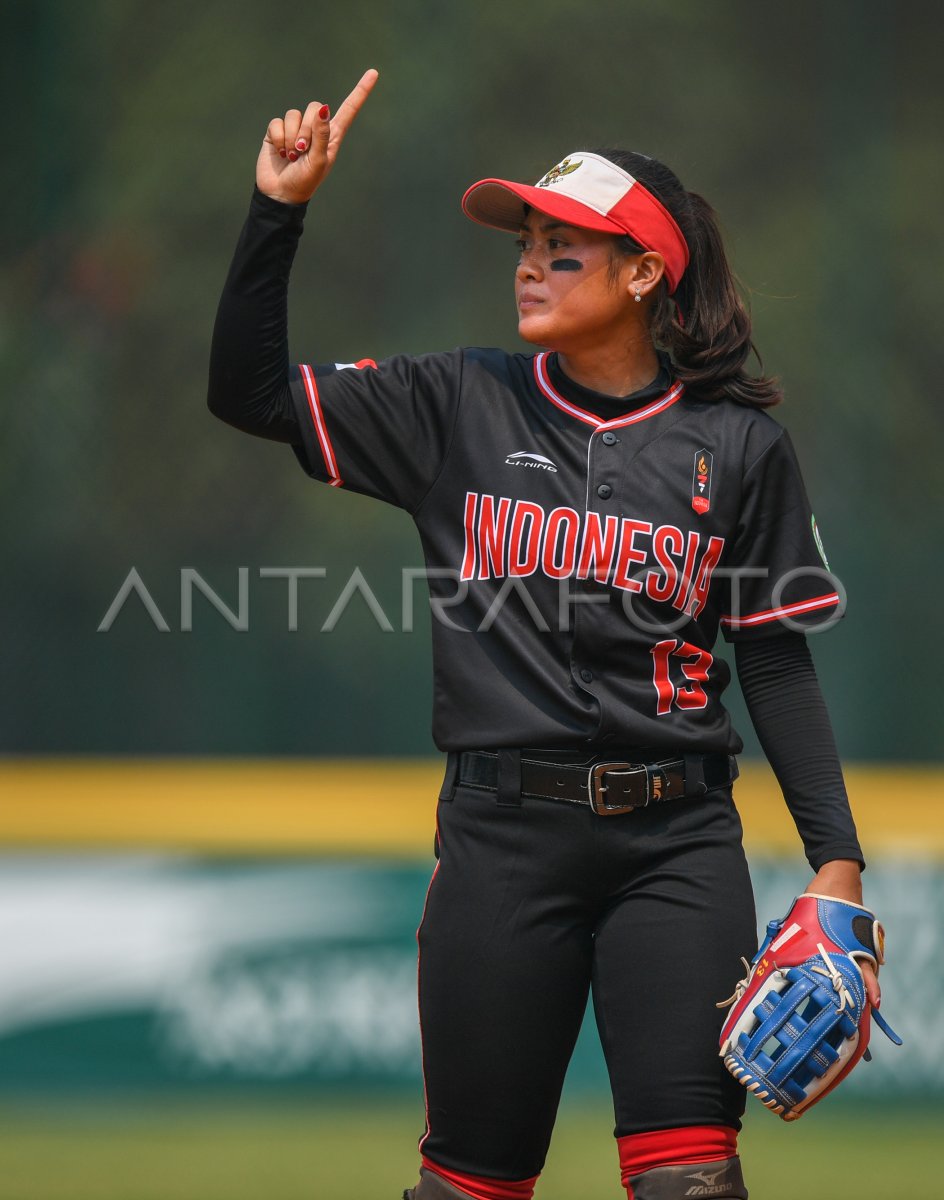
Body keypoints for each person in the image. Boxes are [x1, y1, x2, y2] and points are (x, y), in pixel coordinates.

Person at [208, 69, 879, 1200]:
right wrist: (279, 211)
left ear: (643, 273)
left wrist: (837, 863)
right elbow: (248, 395)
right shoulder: (454, 404)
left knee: (689, 1184)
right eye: (524, 242)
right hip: (499, 845)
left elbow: (770, 656)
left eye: (563, 247)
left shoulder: (736, 447)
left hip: (677, 849)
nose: (526, 263)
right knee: (469, 1185)